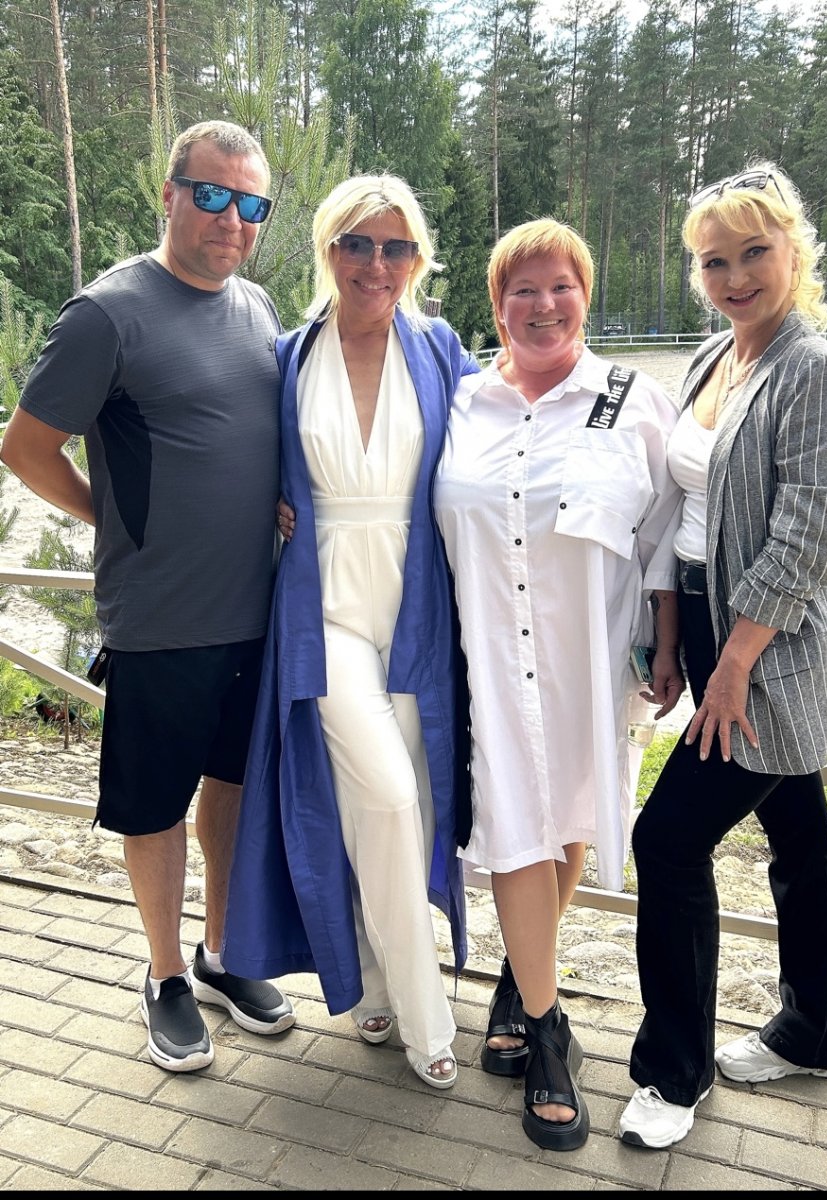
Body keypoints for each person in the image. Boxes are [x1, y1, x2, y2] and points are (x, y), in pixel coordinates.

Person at [0, 120, 296, 1073]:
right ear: (168, 194)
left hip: (257, 614)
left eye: (250, 203)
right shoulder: (107, 314)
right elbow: (24, 448)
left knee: (231, 790)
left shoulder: (257, 306)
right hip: (161, 617)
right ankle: (165, 974)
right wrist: (112, 518)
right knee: (154, 806)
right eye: (211, 194)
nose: (231, 218)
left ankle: (220, 954)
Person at [220, 173, 477, 1089]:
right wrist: (263, 507)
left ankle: (370, 978)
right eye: (357, 244)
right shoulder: (287, 356)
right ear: (328, 250)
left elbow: (498, 454)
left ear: (417, 258)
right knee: (393, 797)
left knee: (396, 810)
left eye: (396, 246)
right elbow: (232, 457)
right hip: (320, 608)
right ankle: (425, 1015)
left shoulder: (440, 349)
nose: (377, 263)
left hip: (415, 609)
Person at [433, 217, 684, 1149]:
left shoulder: (631, 400)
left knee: (571, 813)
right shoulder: (461, 402)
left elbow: (666, 535)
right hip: (489, 660)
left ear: (585, 293)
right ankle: (548, 1034)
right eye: (521, 290)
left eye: (560, 286)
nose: (543, 305)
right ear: (496, 305)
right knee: (511, 827)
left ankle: (518, 979)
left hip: (589, 655)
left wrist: (667, 644)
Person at [618, 163, 827, 1151]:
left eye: (754, 252)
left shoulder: (814, 370)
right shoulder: (716, 355)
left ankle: (673, 1073)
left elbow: (805, 534)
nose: (735, 276)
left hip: (771, 650)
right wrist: (674, 636)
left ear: (795, 249)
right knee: (795, 832)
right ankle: (819, 1031)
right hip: (713, 629)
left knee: (666, 841)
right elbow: (681, 510)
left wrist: (731, 664)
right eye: (713, 261)